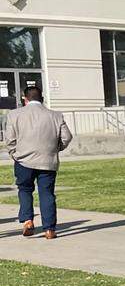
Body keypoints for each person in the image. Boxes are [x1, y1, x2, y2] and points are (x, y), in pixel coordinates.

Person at [5, 86, 72, 240]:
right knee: (47, 193)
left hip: (23, 160)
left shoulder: (14, 115)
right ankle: (50, 229)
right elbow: (67, 137)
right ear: (41, 97)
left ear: (25, 98)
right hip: (47, 160)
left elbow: (10, 140)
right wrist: (56, 148)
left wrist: (14, 154)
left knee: (25, 190)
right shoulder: (56, 115)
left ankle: (28, 220)